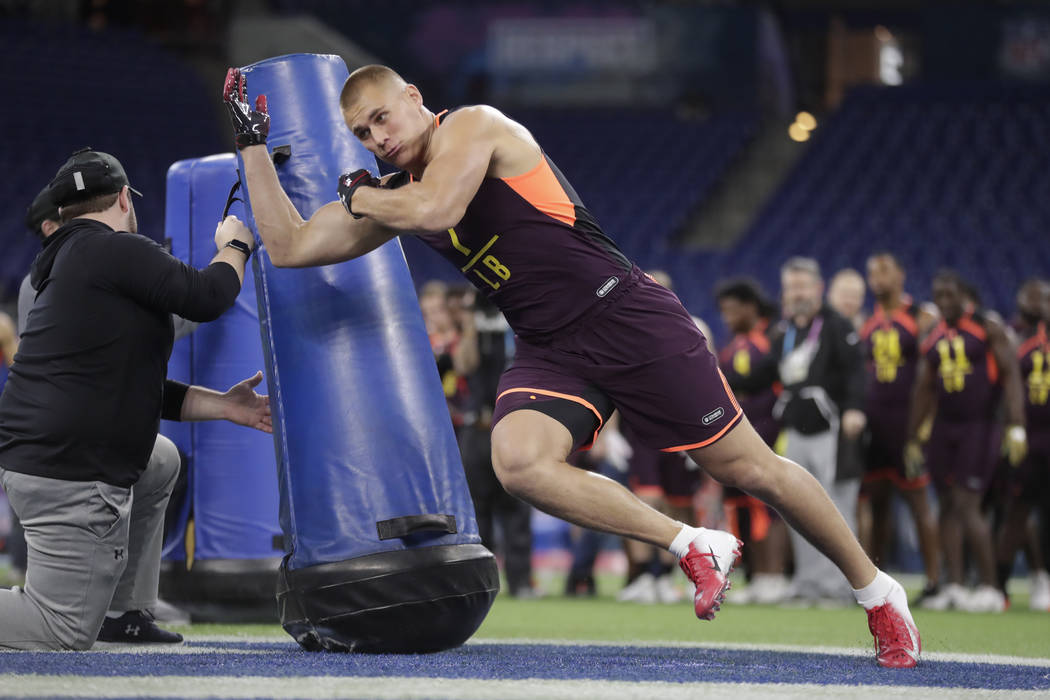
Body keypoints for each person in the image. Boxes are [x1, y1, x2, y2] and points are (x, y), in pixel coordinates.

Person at [223, 65, 920, 667]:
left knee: (748, 468)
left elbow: (440, 204)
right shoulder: (392, 191)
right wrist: (251, 147)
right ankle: (692, 543)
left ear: (413, 97)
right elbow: (288, 246)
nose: (378, 138)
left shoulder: (472, 127)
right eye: (363, 134)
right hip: (550, 346)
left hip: (626, 315)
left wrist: (361, 194)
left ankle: (877, 591)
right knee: (518, 462)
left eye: (381, 119)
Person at [0, 149, 270, 650]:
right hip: (66, 466)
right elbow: (209, 296)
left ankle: (123, 612)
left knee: (160, 459)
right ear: (124, 198)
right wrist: (235, 243)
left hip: (48, 453)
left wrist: (225, 405)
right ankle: (93, 615)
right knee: (59, 628)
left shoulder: (64, 262)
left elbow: (129, 383)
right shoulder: (113, 249)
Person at [907, 270, 1026, 613]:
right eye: (938, 295)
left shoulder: (987, 327)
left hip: (981, 425)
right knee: (945, 503)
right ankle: (955, 585)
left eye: (950, 295)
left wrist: (1016, 425)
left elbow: (1012, 377)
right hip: (945, 427)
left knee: (967, 503)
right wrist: (912, 437)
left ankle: (990, 588)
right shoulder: (934, 335)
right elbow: (924, 388)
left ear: (966, 296)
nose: (943, 301)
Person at [769, 257, 867, 607]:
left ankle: (844, 586)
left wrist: (856, 407)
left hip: (833, 430)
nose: (797, 294)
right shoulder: (782, 331)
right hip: (796, 430)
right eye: (791, 287)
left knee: (837, 507)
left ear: (818, 288)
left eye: (803, 287)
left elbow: (858, 369)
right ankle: (808, 582)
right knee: (798, 507)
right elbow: (771, 374)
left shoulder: (836, 325)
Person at [857, 253, 941, 606]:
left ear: (901, 275)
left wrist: (921, 431)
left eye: (885, 271)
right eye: (872, 272)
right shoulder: (867, 323)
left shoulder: (921, 317)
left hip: (906, 423)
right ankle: (877, 581)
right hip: (876, 422)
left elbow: (932, 377)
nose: (877, 278)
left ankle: (937, 581)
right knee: (877, 504)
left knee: (919, 502)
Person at [715, 278, 790, 605]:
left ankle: (774, 576)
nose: (728, 317)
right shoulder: (732, 347)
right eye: (724, 311)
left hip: (767, 433)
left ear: (750, 308)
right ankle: (756, 576)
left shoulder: (768, 342)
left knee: (768, 507)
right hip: (735, 440)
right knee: (741, 509)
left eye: (733, 309)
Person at [996, 278, 1050, 611]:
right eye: (1031, 298)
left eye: (1042, 297)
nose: (1037, 304)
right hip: (1025, 437)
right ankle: (998, 585)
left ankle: (1042, 578)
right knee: (1016, 513)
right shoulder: (1013, 336)